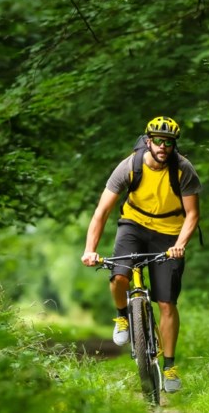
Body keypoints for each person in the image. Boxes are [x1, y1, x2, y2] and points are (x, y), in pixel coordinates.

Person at [81, 116, 201, 393]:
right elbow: (101, 213)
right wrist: (90, 250)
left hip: (169, 233)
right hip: (133, 226)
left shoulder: (183, 170)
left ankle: (169, 366)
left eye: (168, 143)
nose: (163, 146)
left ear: (173, 146)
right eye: (158, 141)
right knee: (119, 277)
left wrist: (180, 243)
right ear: (148, 141)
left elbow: (193, 214)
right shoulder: (129, 166)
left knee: (167, 303)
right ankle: (123, 315)